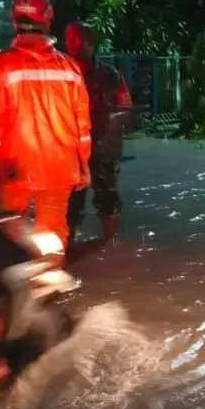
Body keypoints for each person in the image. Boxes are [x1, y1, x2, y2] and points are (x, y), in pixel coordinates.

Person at [0, 0, 91, 261]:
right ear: (48, 22)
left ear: (15, 23)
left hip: (15, 168)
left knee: (8, 226)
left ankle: (18, 285)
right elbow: (82, 126)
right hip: (60, 167)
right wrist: (83, 165)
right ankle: (47, 285)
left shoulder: (1, 66)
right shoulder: (70, 68)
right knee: (53, 231)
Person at [63, 21, 134, 247]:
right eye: (71, 39)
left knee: (108, 200)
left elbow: (126, 109)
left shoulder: (109, 75)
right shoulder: (60, 72)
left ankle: (109, 249)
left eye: (78, 39)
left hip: (103, 148)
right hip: (69, 150)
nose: (74, 44)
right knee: (69, 206)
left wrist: (103, 120)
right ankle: (67, 253)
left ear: (90, 43)